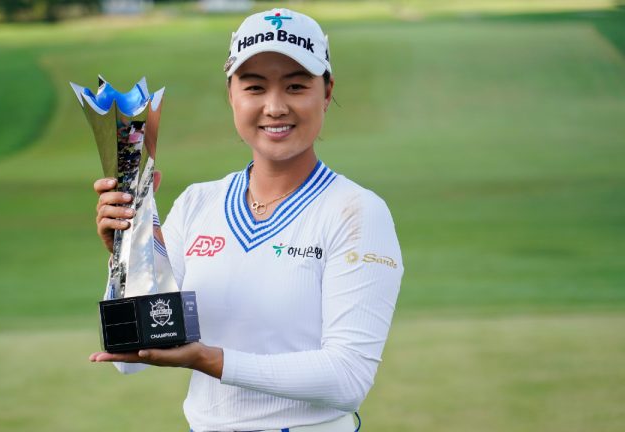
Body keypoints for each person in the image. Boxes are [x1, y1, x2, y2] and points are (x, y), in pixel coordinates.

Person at [90, 8, 403, 432]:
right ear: (232, 96)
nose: (275, 107)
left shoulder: (355, 211)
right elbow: (132, 361)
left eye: (296, 86)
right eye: (254, 87)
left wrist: (210, 360)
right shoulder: (198, 202)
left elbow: (347, 379)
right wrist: (129, 254)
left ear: (326, 93)